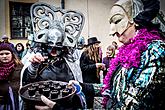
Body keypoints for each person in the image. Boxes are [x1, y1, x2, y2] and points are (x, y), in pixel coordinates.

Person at [36, 0, 165, 109]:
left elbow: (131, 105)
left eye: (117, 20)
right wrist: (83, 87)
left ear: (136, 19)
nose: (112, 31)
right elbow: (114, 87)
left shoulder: (155, 51)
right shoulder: (126, 50)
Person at [0, 43, 23, 110]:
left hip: (16, 99)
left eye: (7, 53)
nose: (4, 56)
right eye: (1, 54)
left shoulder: (19, 66)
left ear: (12, 54)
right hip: (2, 101)